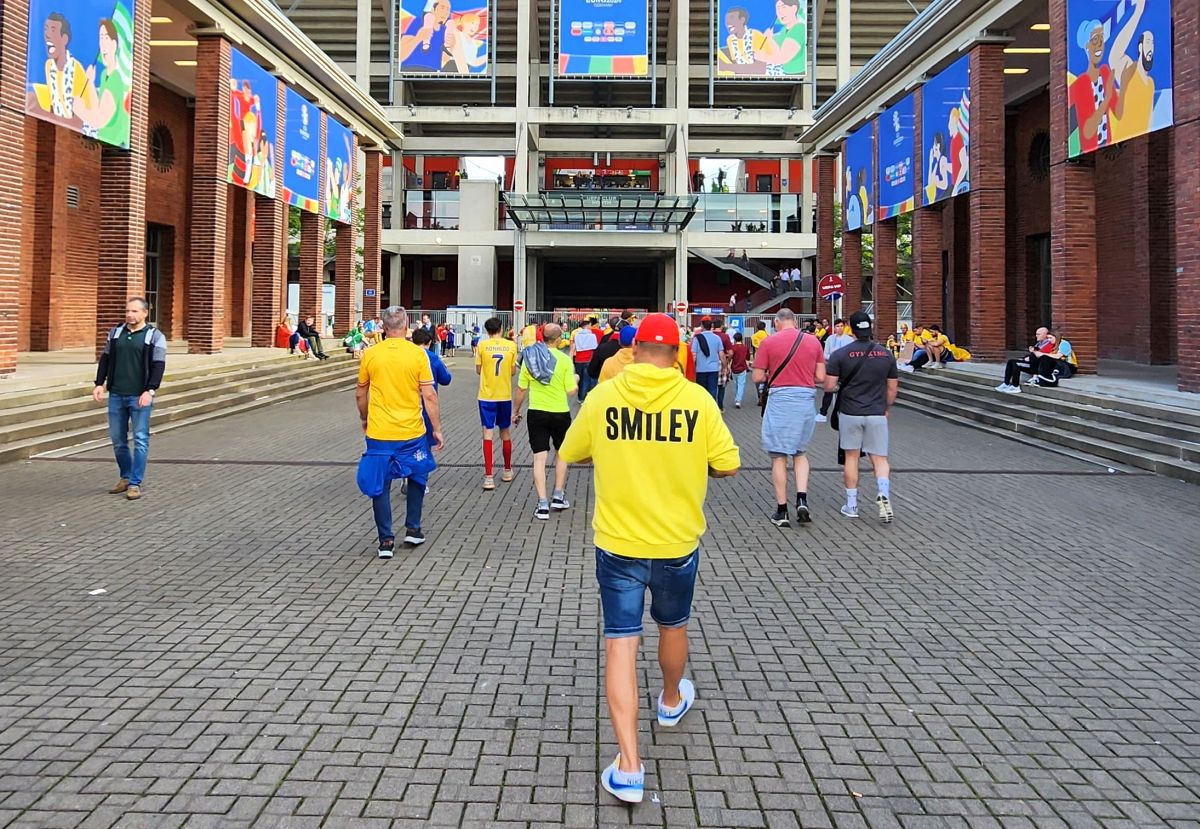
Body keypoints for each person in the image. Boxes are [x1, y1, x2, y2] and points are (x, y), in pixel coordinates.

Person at [558, 314, 740, 804]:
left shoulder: (604, 397)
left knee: (621, 643)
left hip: (617, 543)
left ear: (635, 351)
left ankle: (631, 767)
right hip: (678, 542)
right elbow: (728, 465)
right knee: (673, 626)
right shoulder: (697, 400)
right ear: (678, 354)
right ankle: (671, 700)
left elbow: (572, 454)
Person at [356, 309, 443, 558]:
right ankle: (413, 528)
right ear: (406, 326)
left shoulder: (371, 355)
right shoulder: (418, 354)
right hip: (412, 430)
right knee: (417, 475)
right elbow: (429, 395)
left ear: (383, 327)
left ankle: (385, 540)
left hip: (379, 430)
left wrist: (364, 418)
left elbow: (361, 393)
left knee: (379, 484)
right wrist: (436, 428)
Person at [752, 308, 826, 527]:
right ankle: (802, 498)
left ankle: (782, 510)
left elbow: (757, 376)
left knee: (778, 456)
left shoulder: (768, 343)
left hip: (781, 399)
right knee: (800, 453)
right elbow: (821, 376)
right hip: (805, 400)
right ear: (794, 321)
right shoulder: (813, 342)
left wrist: (770, 373)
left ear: (777, 322)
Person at [824, 311, 898, 523]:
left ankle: (852, 504)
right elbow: (892, 387)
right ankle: (884, 493)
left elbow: (829, 386)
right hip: (877, 412)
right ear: (870, 327)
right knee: (880, 458)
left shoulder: (841, 354)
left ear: (851, 328)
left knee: (852, 457)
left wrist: (839, 385)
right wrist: (886, 406)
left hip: (850, 412)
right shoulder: (886, 354)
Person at [93, 297, 167, 501]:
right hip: (116, 394)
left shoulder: (154, 336)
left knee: (141, 440)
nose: (129, 315)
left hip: (139, 396)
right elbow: (105, 359)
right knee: (118, 440)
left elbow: (158, 365)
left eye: (134, 311)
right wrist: (99, 383)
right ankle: (125, 476)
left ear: (145, 313)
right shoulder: (116, 333)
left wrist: (149, 390)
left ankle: (135, 483)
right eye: (127, 311)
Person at [513, 323, 576, 520]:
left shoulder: (530, 359)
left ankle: (542, 504)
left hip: (537, 412)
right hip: (560, 413)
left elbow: (521, 390)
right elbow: (571, 391)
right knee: (562, 454)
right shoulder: (565, 360)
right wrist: (576, 379)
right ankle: (558, 494)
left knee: (539, 458)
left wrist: (515, 411)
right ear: (558, 340)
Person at [476, 316, 519, 489]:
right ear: (501, 328)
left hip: (486, 395)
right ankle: (507, 470)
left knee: (487, 433)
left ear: (487, 331)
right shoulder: (511, 346)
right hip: (504, 395)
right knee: (505, 432)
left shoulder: (482, 346)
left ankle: (488, 477)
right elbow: (513, 371)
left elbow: (479, 370)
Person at [816, 318, 854, 422]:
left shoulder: (849, 340)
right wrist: (832, 355)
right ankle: (823, 412)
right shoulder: (830, 339)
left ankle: (844, 412)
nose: (840, 328)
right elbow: (825, 354)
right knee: (828, 390)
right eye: (837, 326)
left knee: (844, 391)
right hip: (833, 367)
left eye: (841, 326)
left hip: (845, 368)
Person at [996, 326, 1054, 393]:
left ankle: (1015, 386)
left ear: (1045, 335)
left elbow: (1041, 355)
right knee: (1011, 362)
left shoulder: (1048, 344)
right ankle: (1006, 383)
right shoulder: (1039, 343)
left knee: (1016, 364)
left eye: (1038, 334)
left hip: (1037, 366)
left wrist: (1032, 353)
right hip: (1032, 362)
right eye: (1036, 334)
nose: (1036, 336)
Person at [690, 318, 724, 402]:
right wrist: (725, 366)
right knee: (712, 389)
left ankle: (702, 407)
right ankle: (711, 408)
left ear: (702, 326)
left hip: (700, 369)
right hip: (713, 369)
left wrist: (692, 367)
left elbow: (693, 354)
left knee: (701, 390)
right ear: (711, 326)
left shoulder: (697, 338)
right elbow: (721, 354)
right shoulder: (717, 338)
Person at [570, 317, 601, 402]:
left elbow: (573, 347)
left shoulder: (576, 335)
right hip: (588, 359)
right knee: (586, 380)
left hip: (578, 359)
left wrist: (570, 359)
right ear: (589, 325)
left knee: (580, 379)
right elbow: (595, 347)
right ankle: (585, 397)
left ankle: (580, 397)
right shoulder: (592, 335)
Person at [713, 322, 734, 410]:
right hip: (722, 362)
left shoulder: (710, 336)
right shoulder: (725, 336)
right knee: (722, 386)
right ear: (721, 327)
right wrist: (728, 361)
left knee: (712, 385)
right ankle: (720, 405)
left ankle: (712, 406)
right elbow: (730, 352)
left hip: (710, 362)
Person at [729, 332, 750, 408]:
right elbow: (747, 358)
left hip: (734, 368)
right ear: (742, 339)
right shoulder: (745, 348)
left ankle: (736, 398)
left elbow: (730, 357)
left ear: (734, 339)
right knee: (741, 384)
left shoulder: (732, 347)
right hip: (742, 368)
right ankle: (738, 400)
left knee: (735, 384)